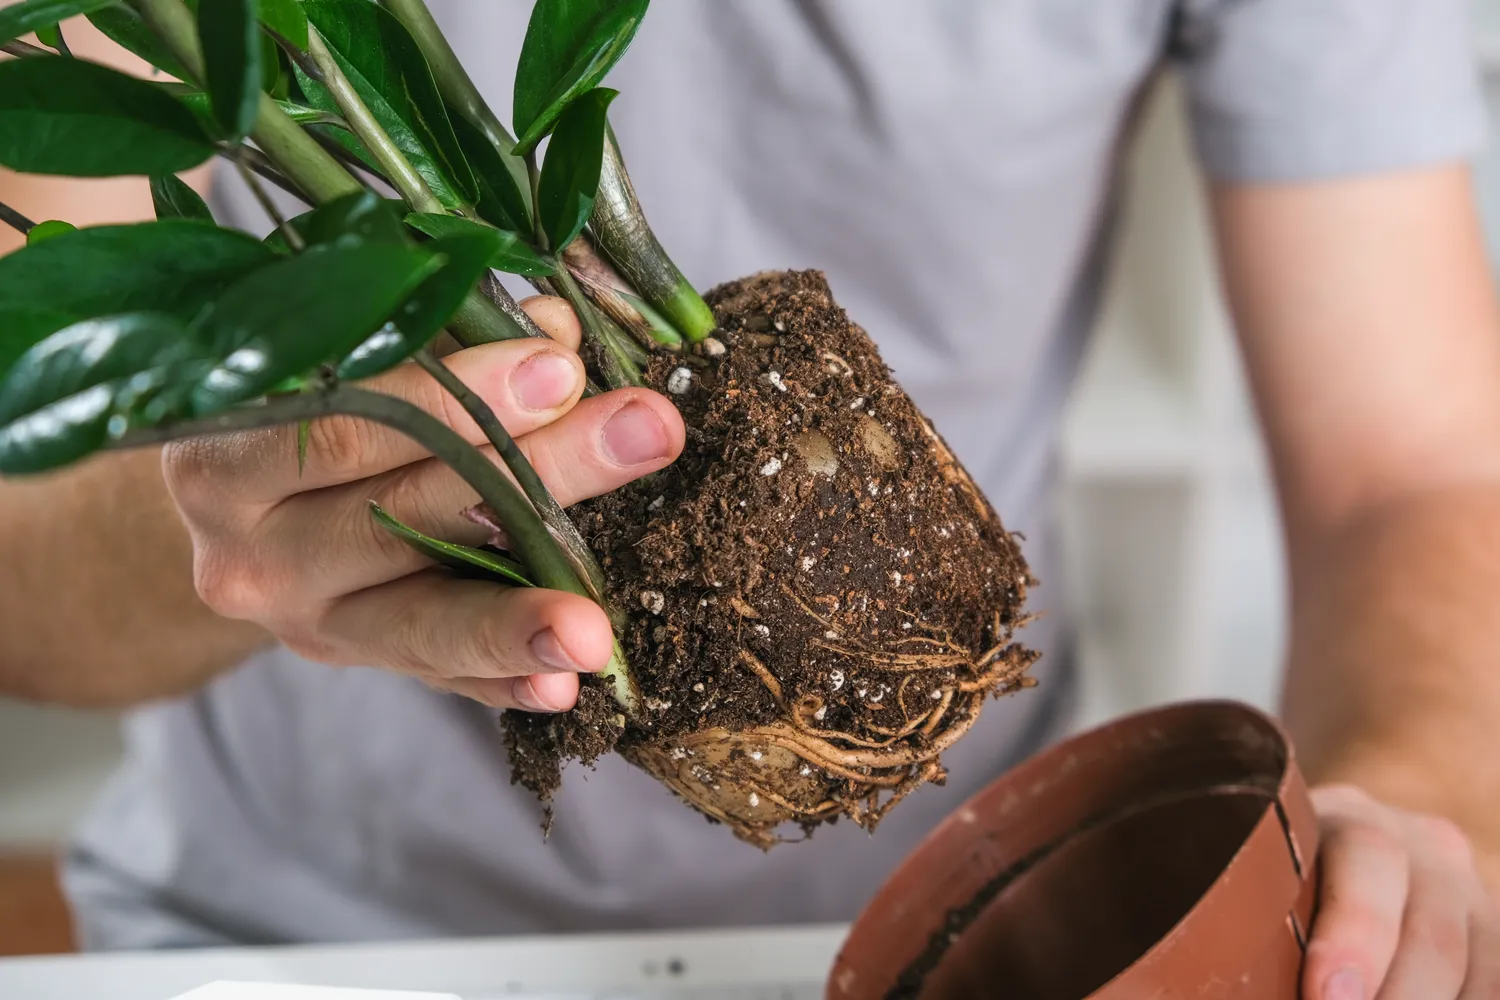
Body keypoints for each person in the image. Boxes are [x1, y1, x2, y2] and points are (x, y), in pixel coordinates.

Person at [3, 0, 1499, 995]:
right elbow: (22, 568)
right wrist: (245, 507)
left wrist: (1399, 834)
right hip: (304, 943)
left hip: (985, 929)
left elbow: (1420, 472)